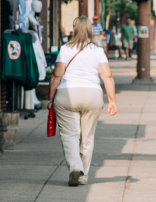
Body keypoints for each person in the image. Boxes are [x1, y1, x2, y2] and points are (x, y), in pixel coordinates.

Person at [47, 16, 118, 187]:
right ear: (89, 29)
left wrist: (50, 99)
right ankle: (83, 175)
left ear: (74, 28)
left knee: (70, 134)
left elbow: (57, 76)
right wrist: (112, 101)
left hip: (67, 95)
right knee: (87, 137)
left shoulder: (65, 49)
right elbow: (107, 76)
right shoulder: (98, 50)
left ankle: (74, 168)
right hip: (92, 95)